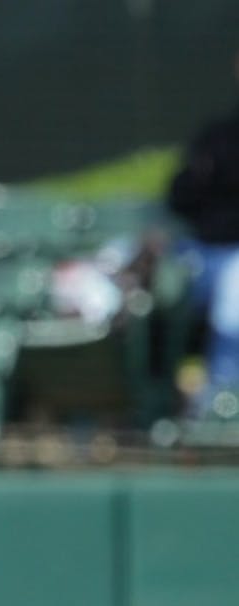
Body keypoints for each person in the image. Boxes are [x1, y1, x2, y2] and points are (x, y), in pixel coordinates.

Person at [168, 48, 239, 416]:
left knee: (235, 299)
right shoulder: (219, 135)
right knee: (145, 282)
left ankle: (221, 411)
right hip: (203, 252)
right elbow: (179, 198)